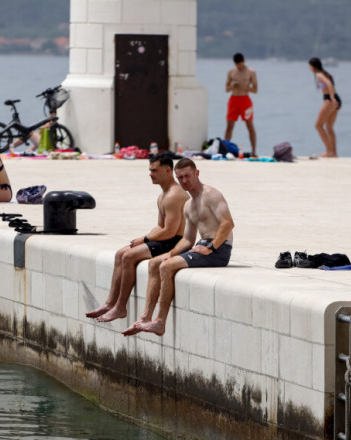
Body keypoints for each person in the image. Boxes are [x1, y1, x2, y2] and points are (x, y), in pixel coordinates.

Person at [123, 158, 234, 337]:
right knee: (156, 263)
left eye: (187, 176)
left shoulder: (211, 194)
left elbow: (227, 223)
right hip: (201, 246)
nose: (184, 181)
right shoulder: (188, 205)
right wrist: (170, 253)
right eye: (180, 177)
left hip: (219, 250)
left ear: (197, 173)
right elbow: (187, 241)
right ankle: (145, 318)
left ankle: (159, 322)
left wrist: (211, 248)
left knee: (167, 267)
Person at [86, 152, 187, 323]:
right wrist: (144, 237)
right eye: (150, 170)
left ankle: (120, 307)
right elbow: (159, 226)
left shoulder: (173, 195)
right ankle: (110, 303)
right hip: (165, 239)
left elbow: (170, 231)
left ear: (168, 171)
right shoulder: (162, 195)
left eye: (154, 170)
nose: (150, 174)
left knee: (129, 256)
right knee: (120, 253)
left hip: (174, 242)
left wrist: (146, 240)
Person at [224, 53, 258, 156]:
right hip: (233, 99)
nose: (239, 66)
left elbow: (255, 90)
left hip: (245, 100)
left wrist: (246, 87)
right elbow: (226, 89)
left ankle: (254, 151)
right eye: (237, 64)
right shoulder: (231, 72)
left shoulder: (251, 72)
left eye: (240, 64)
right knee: (229, 126)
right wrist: (232, 85)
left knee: (249, 125)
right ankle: (225, 149)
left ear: (244, 61)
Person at [309, 57, 341, 158]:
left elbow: (329, 84)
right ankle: (333, 153)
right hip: (337, 99)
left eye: (309, 66)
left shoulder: (319, 75)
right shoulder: (325, 73)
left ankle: (329, 151)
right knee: (329, 127)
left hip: (330, 100)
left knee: (318, 126)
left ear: (313, 66)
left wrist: (331, 98)